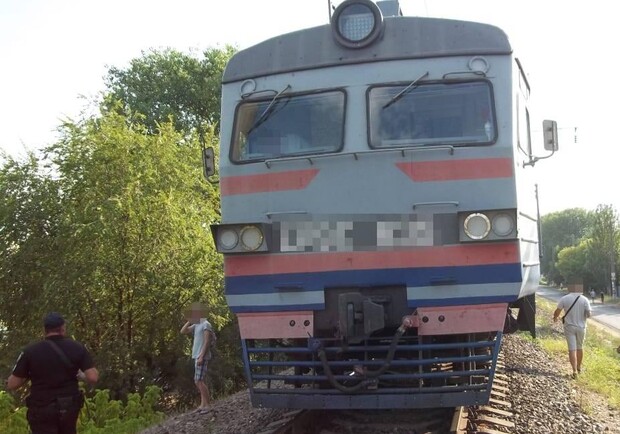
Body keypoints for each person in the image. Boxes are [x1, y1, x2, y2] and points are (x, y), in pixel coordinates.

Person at [6, 312, 99, 434]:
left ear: (45, 330)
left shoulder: (30, 352)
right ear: (63, 328)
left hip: (41, 409)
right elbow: (93, 377)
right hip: (68, 407)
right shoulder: (78, 348)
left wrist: (28, 376)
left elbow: (12, 384)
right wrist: (81, 376)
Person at [181, 303, 215, 411]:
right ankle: (202, 404)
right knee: (199, 380)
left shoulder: (206, 324)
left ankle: (208, 405)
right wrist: (190, 321)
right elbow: (183, 331)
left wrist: (201, 356)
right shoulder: (197, 324)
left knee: (198, 381)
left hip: (202, 356)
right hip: (196, 355)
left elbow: (206, 341)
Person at [553, 289, 592, 379]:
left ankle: (574, 370)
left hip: (569, 327)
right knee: (579, 348)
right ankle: (579, 368)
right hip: (581, 328)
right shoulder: (585, 299)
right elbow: (589, 314)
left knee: (572, 349)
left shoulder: (565, 298)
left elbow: (557, 311)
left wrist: (555, 317)